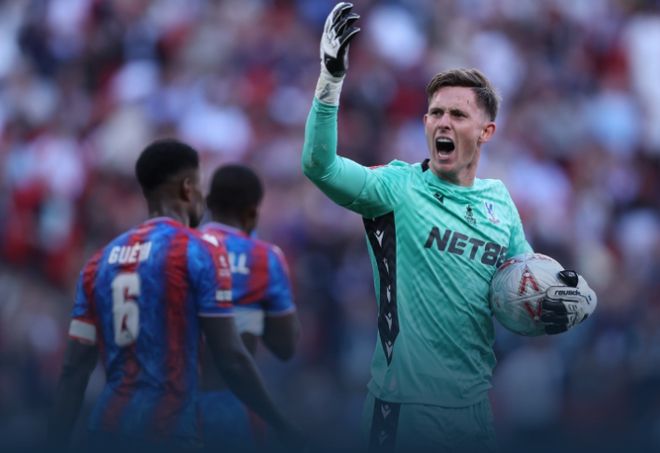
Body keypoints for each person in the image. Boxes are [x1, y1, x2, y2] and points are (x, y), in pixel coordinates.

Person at [302, 3, 598, 452]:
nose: (443, 121)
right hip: (403, 409)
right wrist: (330, 79)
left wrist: (574, 300)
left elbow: (526, 287)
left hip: (474, 412)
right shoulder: (396, 188)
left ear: (486, 132)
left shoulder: (499, 201)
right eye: (435, 112)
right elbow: (319, 166)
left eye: (458, 115)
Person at [47, 139, 301, 452]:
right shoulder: (200, 251)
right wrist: (281, 424)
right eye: (200, 188)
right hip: (167, 431)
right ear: (187, 189)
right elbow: (231, 358)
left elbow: (73, 370)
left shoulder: (99, 262)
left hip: (106, 430)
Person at [197, 164, 300, 452]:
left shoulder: (181, 247)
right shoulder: (264, 258)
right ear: (253, 212)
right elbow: (285, 347)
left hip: (171, 405)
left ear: (208, 203)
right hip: (232, 408)